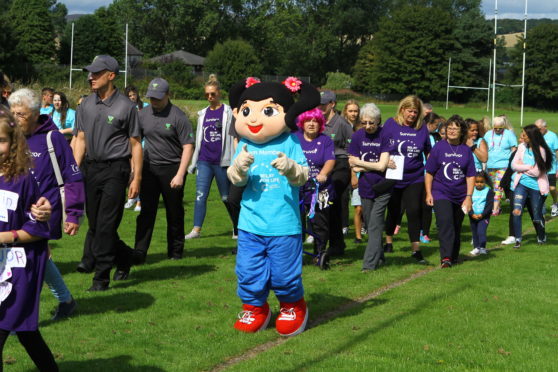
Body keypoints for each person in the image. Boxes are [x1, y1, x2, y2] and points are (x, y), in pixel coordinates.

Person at [227, 76, 318, 336]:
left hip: (283, 224)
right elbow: (235, 179)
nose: (254, 119)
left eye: (267, 111)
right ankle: (255, 308)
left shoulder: (289, 142)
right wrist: (239, 168)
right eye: (247, 111)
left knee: (283, 274)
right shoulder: (244, 144)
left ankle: (293, 306)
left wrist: (290, 168)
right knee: (248, 270)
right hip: (250, 223)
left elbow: (303, 176)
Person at [9, 88, 85, 320]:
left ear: (34, 113)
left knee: (26, 258)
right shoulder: (11, 137)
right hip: (15, 207)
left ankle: (16, 313)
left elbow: (72, 176)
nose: (15, 118)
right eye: (12, 113)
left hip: (43, 211)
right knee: (38, 255)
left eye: (20, 114)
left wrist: (73, 214)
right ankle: (65, 300)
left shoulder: (53, 138)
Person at [73, 55, 142, 291]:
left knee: (106, 225)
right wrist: (74, 172)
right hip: (91, 169)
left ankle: (101, 277)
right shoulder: (85, 105)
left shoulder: (127, 106)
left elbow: (135, 144)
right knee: (95, 226)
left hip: (116, 169)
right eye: (90, 72)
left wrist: (137, 178)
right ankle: (124, 257)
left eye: (96, 73)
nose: (91, 77)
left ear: (111, 76)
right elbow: (80, 139)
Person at [0, 110, 59, 371]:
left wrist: (5, 237)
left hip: (19, 268)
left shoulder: (23, 180)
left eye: (1, 140)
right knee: (26, 331)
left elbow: (38, 227)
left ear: (14, 143)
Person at [131, 78, 194, 263]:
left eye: (158, 98)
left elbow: (188, 146)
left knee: (174, 213)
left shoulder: (178, 116)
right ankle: (139, 252)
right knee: (146, 213)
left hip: (172, 169)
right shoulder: (142, 115)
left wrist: (181, 174)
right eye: (151, 98)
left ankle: (175, 252)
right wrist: (135, 170)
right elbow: (134, 142)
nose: (154, 101)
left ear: (168, 95)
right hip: (150, 169)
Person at [185, 74, 236, 239]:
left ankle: (237, 227)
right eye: (207, 94)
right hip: (204, 160)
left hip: (222, 161)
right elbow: (199, 138)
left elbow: (234, 136)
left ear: (219, 93)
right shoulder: (203, 114)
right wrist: (194, 162)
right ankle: (196, 229)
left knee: (226, 197)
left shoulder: (228, 112)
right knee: (200, 195)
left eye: (212, 94)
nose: (209, 97)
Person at [382, 95, 431, 263]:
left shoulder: (422, 127)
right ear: (402, 109)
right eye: (410, 111)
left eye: (415, 112)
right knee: (394, 210)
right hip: (394, 175)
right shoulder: (390, 124)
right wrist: (385, 161)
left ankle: (416, 249)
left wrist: (431, 170)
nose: (412, 115)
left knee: (414, 211)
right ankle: (388, 240)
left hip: (414, 176)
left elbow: (427, 151)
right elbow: (382, 147)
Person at [348, 103, 394, 271]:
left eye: (371, 123)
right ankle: (380, 256)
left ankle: (368, 265)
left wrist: (360, 164)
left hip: (383, 187)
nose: (367, 126)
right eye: (364, 122)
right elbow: (352, 166)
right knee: (370, 223)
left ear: (378, 122)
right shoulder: (357, 136)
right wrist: (370, 165)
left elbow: (381, 167)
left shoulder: (385, 135)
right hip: (365, 187)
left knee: (374, 225)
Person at [425, 115, 475, 268]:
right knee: (445, 222)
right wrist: (428, 193)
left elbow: (470, 175)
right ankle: (445, 257)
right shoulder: (439, 147)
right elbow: (429, 172)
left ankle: (454, 255)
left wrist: (468, 197)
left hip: (460, 194)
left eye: (456, 128)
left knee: (456, 225)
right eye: (450, 128)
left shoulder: (466, 150)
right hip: (441, 192)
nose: (452, 131)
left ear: (462, 132)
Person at [294, 108, 335, 265]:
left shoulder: (325, 141)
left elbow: (330, 161)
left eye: (315, 121)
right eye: (308, 121)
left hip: (319, 187)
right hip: (298, 186)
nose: (311, 124)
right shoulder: (294, 139)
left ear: (320, 124)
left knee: (320, 221)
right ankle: (294, 252)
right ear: (302, 123)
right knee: (295, 221)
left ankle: (320, 252)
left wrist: (323, 174)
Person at [319, 90, 353, 256]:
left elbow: (351, 147)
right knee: (330, 205)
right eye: (318, 104)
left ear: (332, 104)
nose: (320, 107)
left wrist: (352, 171)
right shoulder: (317, 121)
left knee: (330, 200)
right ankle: (335, 244)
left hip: (340, 165)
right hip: (323, 165)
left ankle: (332, 243)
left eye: (324, 104)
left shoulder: (342, 124)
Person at [510, 124, 552, 248]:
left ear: (532, 136)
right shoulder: (521, 147)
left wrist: (522, 167)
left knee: (536, 216)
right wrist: (528, 167)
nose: (522, 136)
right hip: (521, 185)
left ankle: (541, 236)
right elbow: (513, 165)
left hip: (536, 188)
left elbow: (537, 172)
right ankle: (518, 240)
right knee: (516, 211)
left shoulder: (541, 150)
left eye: (525, 134)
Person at [484, 115, 517, 216]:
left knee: (498, 187)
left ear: (504, 126)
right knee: (494, 187)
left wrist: (513, 163)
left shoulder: (509, 134)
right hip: (490, 165)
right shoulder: (488, 134)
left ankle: (494, 210)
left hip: (504, 165)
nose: (498, 130)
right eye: (495, 128)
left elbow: (514, 149)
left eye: (500, 128)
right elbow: (484, 148)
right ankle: (498, 206)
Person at [123, 86, 146, 212]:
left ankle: (139, 202)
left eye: (134, 94)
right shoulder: (125, 108)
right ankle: (132, 196)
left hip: (141, 145)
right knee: (130, 172)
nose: (132, 97)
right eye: (129, 95)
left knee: (138, 172)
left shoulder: (145, 106)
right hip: (128, 145)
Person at [534, 119, 558, 216]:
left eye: (539, 129)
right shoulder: (535, 136)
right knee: (540, 188)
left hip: (551, 167)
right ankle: (541, 206)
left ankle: (555, 203)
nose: (537, 131)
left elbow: (557, 152)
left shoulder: (553, 136)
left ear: (545, 127)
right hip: (539, 168)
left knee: (552, 188)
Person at [469, 172, 494, 256]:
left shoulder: (489, 191)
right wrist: (471, 213)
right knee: (474, 232)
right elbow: (468, 203)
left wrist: (482, 215)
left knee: (481, 231)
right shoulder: (471, 190)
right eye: (477, 182)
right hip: (473, 216)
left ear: (485, 182)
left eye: (481, 182)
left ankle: (482, 248)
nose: (479, 184)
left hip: (484, 217)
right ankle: (476, 248)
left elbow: (489, 206)